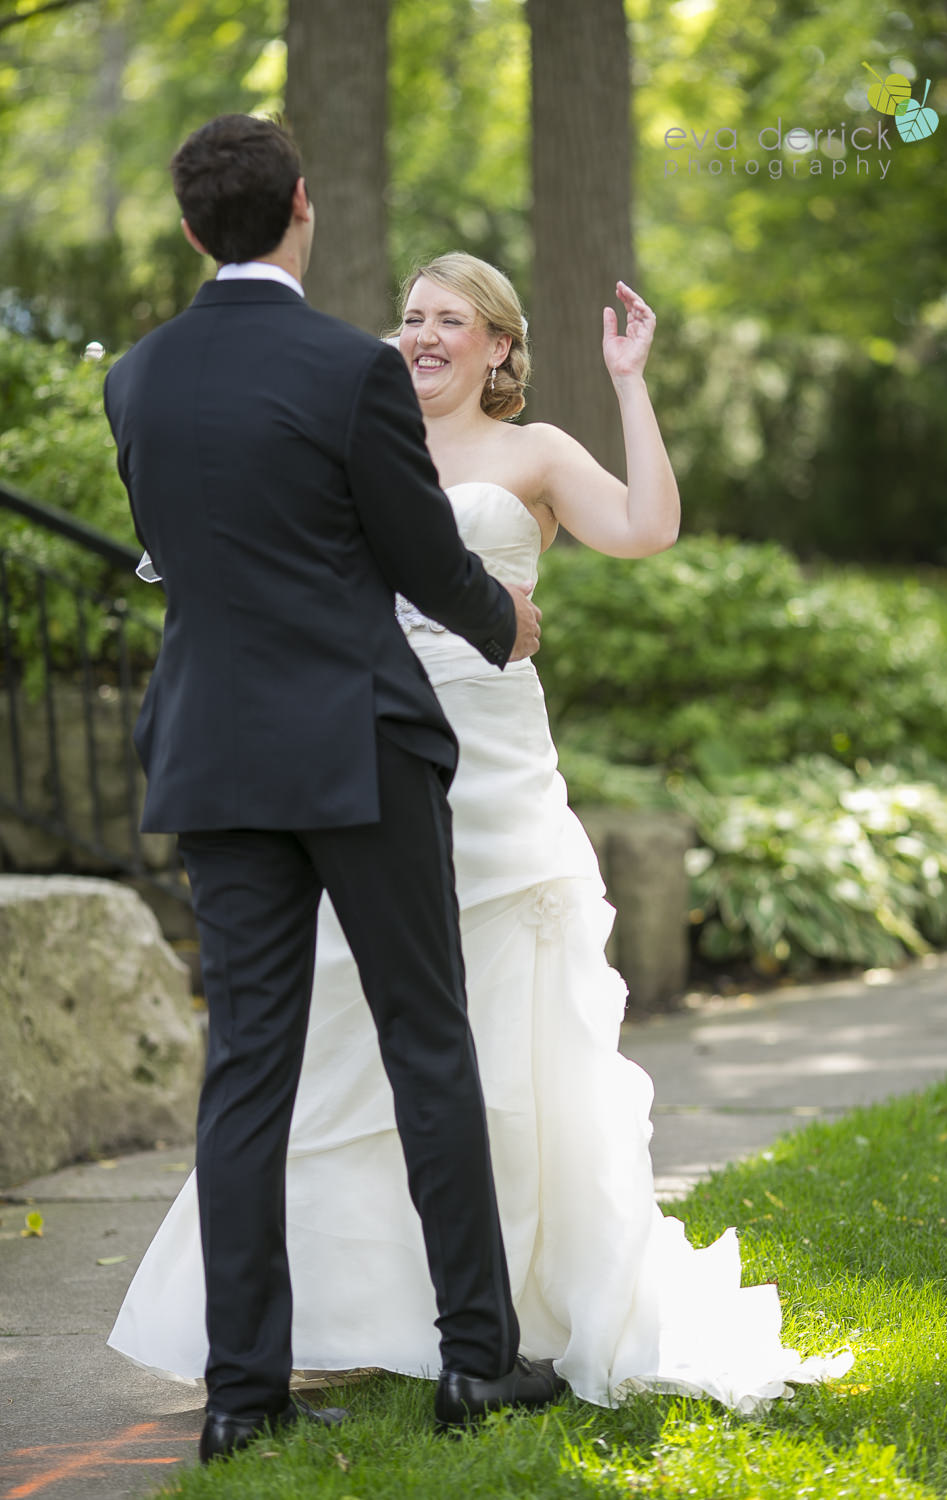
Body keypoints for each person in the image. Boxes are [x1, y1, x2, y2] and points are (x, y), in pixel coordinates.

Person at [110, 250, 853, 1413]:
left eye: (451, 320)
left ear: (501, 347)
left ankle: (511, 1307)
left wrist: (629, 381)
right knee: (360, 1044)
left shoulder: (535, 452)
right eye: (410, 317)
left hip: (500, 780)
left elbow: (646, 527)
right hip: (360, 759)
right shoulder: (350, 424)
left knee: (507, 1050)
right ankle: (377, 1312)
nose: (423, 337)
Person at [103, 121, 567, 1463]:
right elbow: (423, 551)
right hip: (360, 746)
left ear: (196, 230)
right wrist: (504, 625)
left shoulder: (137, 380)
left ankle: (241, 1399)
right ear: (300, 210)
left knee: (248, 1067)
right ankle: (477, 1364)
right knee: (430, 1038)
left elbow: (168, 548)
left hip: (214, 754)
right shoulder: (349, 367)